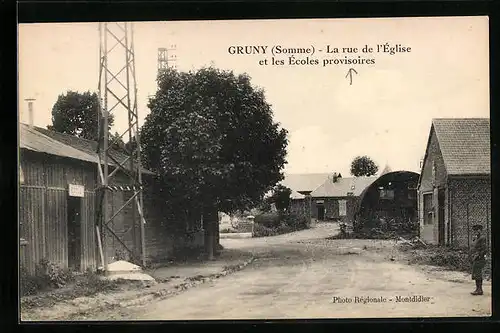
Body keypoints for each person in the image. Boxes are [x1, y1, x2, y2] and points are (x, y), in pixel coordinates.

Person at [470, 224, 487, 295]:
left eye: (477, 230)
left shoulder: (482, 238)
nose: (476, 232)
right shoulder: (476, 238)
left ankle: (479, 290)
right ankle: (478, 289)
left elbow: (484, 249)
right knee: (476, 273)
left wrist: (479, 256)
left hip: (480, 258)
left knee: (478, 273)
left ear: (480, 230)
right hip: (475, 257)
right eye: (475, 231)